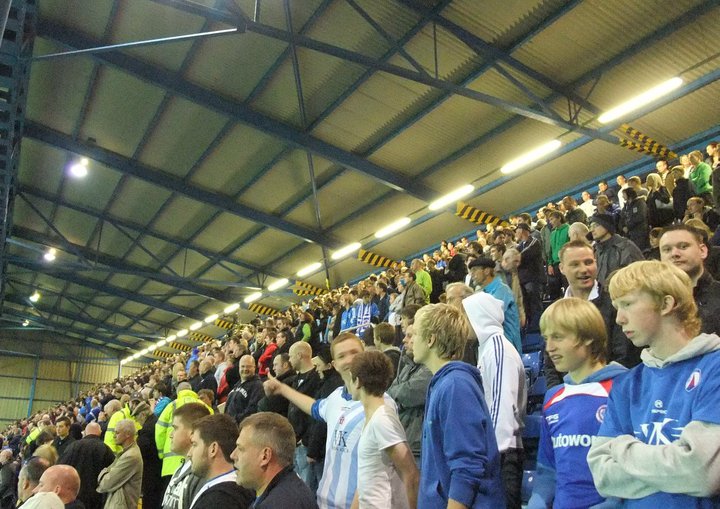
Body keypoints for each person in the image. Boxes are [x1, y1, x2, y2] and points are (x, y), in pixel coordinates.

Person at [588, 260, 720, 506]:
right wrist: (676, 472)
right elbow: (603, 475)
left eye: (627, 304)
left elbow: (702, 473)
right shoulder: (626, 384)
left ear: (666, 304)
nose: (619, 319)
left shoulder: (714, 368)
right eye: (616, 307)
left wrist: (622, 447)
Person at [263, 333, 395, 509]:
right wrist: (282, 389)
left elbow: (383, 469)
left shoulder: (382, 404)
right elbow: (314, 407)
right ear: (335, 365)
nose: (349, 360)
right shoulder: (336, 397)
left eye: (354, 352)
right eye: (341, 356)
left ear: (365, 355)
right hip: (325, 502)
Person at [528, 299, 627, 509]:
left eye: (558, 337)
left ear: (588, 337)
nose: (549, 348)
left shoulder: (623, 388)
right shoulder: (553, 398)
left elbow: (634, 471)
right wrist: (537, 501)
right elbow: (547, 471)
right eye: (546, 338)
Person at [411, 303, 505, 508]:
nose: (410, 339)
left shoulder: (455, 386)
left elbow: (467, 468)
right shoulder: (444, 383)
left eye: (415, 333)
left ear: (430, 339)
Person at [462, 292, 526, 509]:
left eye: (466, 316)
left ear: (478, 316)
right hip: (496, 451)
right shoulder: (487, 348)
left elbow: (502, 405)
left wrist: (492, 454)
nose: (463, 322)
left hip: (503, 453)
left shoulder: (498, 349)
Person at [347, 351, 419, 509]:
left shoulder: (382, 420)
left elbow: (411, 474)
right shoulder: (375, 417)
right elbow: (368, 476)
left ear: (357, 382)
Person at [232, 413, 318, 509]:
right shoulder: (287, 489)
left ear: (265, 456)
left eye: (241, 449)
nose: (233, 455)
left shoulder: (279, 503)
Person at [659, 224, 720, 334]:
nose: (674, 254)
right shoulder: (654, 301)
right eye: (667, 250)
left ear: (702, 251)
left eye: (683, 246)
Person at [386, 323, 431, 466]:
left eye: (411, 335)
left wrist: (399, 398)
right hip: (404, 441)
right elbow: (390, 394)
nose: (404, 340)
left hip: (418, 448)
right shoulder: (408, 365)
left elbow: (409, 393)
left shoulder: (430, 368)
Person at [185, 414, 254, 509]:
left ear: (213, 449)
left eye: (194, 445)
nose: (189, 453)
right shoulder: (235, 490)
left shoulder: (218, 500)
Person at [156, 382, 212, 481]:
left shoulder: (171, 405)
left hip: (170, 465)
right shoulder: (205, 407)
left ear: (178, 392)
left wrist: (161, 453)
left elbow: (160, 430)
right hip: (198, 462)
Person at [161, 403, 211, 509]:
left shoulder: (200, 474)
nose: (170, 435)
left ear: (192, 432)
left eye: (175, 428)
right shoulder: (180, 469)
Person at [285, 342, 322, 488]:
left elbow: (316, 414)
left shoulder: (316, 378)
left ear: (299, 355)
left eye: (291, 356)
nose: (289, 360)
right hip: (297, 443)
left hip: (306, 445)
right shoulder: (296, 379)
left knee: (308, 488)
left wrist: (308, 441)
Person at [467, 256, 522, 352]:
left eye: (475, 270)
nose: (472, 274)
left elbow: (490, 318)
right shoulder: (485, 293)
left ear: (487, 271)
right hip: (495, 347)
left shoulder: (501, 290)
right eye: (471, 271)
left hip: (507, 348)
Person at [59, 422, 115, 509]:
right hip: (95, 496)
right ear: (100, 432)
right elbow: (111, 474)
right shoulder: (105, 449)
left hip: (74, 494)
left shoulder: (73, 446)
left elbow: (61, 467)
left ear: (85, 432)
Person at [97, 419, 143, 509]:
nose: (114, 436)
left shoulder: (130, 456)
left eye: (117, 433)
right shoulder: (126, 453)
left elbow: (106, 483)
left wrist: (103, 474)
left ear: (128, 434)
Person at [589, 213, 644, 286]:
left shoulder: (625, 247)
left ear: (607, 226)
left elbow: (637, 275)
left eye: (596, 225)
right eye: (591, 226)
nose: (592, 230)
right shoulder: (596, 249)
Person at [224, 355, 264, 423]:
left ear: (254, 367)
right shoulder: (237, 385)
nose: (245, 369)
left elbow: (252, 411)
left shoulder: (258, 386)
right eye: (243, 366)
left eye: (248, 366)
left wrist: (233, 421)